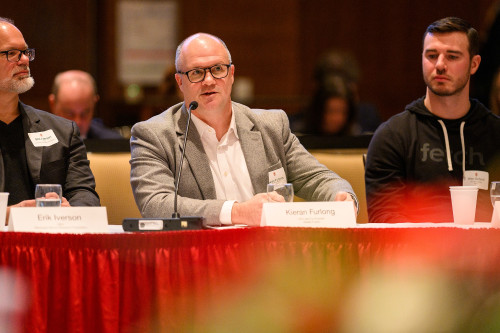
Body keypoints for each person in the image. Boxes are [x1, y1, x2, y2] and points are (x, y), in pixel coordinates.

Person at [130, 33, 358, 226]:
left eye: (218, 69)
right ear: (180, 82)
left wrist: (341, 196)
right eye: (197, 73)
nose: (209, 80)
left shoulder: (271, 126)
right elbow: (155, 204)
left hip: (269, 260)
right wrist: (238, 212)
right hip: (198, 262)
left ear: (231, 74)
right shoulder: (154, 135)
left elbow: (317, 178)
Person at [365, 17, 500, 223]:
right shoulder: (393, 136)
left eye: (452, 57)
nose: (440, 65)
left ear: (474, 64)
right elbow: (385, 220)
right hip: (417, 253)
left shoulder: (495, 133)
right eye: (431, 55)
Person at [0, 18, 100, 221]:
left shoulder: (63, 131)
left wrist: (70, 211)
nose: (25, 60)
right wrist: (8, 215)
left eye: (26, 52)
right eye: (12, 53)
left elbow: (85, 194)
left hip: (47, 244)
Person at [49, 70, 122, 139]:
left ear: (94, 104)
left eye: (84, 114)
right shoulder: (38, 141)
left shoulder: (113, 144)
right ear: (53, 104)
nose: (77, 123)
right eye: (69, 114)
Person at [293, 76, 361, 136]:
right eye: (331, 111)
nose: (336, 118)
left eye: (342, 111)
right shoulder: (298, 137)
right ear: (318, 110)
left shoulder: (354, 136)